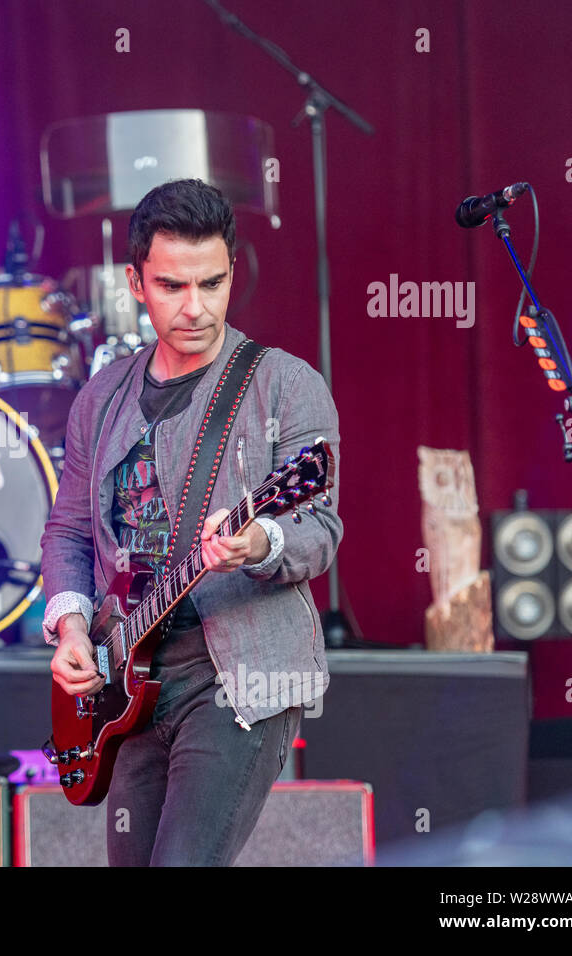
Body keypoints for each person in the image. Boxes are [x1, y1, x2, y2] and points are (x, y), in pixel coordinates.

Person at [40, 178, 342, 866]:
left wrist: (260, 542)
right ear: (134, 282)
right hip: (127, 685)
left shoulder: (285, 384)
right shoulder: (100, 396)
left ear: (234, 269)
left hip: (235, 678)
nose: (196, 308)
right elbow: (68, 531)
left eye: (212, 283)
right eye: (173, 286)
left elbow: (320, 529)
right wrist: (71, 628)